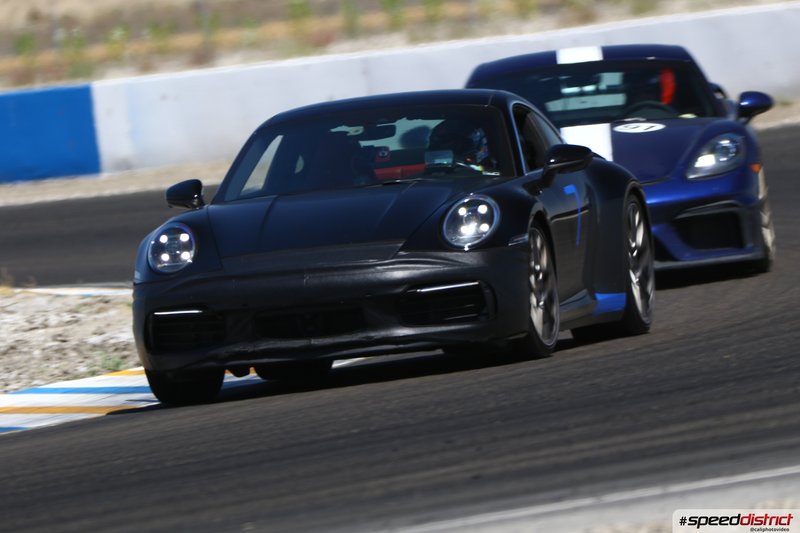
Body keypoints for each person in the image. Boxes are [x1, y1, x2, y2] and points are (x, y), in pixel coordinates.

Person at [427, 119, 497, 173]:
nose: (445, 147)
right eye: (442, 142)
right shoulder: (421, 171)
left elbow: (493, 173)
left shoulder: (491, 172)